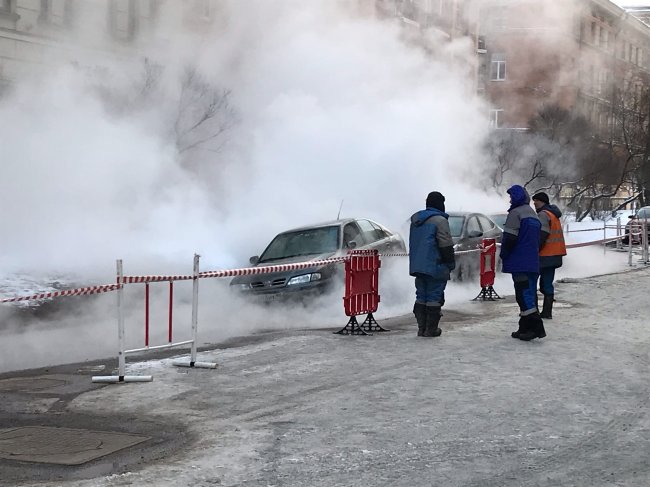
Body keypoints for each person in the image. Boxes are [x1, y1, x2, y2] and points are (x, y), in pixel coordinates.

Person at [500, 185, 546, 341]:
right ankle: (524, 327)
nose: (510, 200)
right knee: (529, 293)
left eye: (512, 197)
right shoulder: (533, 214)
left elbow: (510, 238)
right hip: (533, 262)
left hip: (520, 262)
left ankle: (535, 328)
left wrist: (504, 255)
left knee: (523, 294)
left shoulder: (516, 213)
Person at [409, 191, 456, 338]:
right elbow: (445, 245)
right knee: (434, 296)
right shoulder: (440, 221)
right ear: (440, 204)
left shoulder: (416, 221)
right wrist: (450, 263)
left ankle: (421, 328)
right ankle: (431, 329)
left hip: (418, 265)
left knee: (421, 295)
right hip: (436, 264)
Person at [531, 192, 566, 319]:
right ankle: (547, 312)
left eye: (536, 201)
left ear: (543, 202)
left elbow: (542, 235)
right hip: (555, 255)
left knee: (531, 283)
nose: (534, 203)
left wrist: (534, 250)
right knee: (547, 284)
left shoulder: (543, 215)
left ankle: (532, 312)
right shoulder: (553, 214)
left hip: (543, 255)